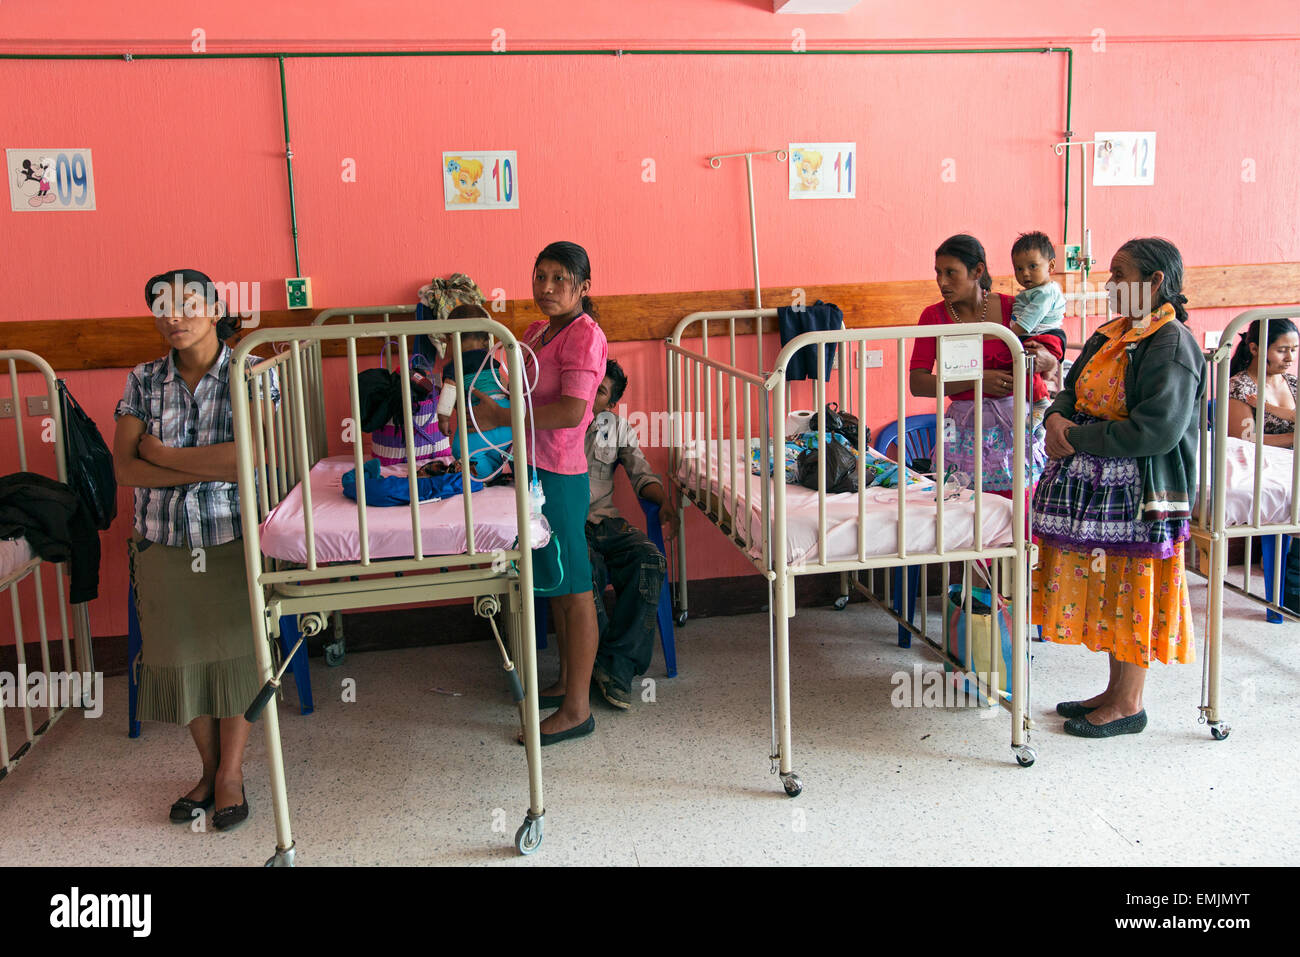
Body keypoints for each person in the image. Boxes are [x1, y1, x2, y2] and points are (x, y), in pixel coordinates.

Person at [113, 269, 271, 829]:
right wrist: (193, 465)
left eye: (185, 305)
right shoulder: (142, 380)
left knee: (235, 662)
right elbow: (125, 467)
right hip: (162, 540)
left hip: (232, 536)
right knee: (179, 663)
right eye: (161, 308)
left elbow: (250, 461)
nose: (173, 317)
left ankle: (231, 774)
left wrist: (164, 455)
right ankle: (206, 771)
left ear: (214, 306)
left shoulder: (251, 370)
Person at [1032, 237, 1205, 738]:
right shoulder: (1117, 333)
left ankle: (1129, 704)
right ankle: (1112, 692)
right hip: (1100, 488)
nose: (1109, 284)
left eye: (1119, 274)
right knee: (1111, 589)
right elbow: (1072, 382)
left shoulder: (1170, 343)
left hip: (1141, 494)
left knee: (1132, 591)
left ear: (1153, 283)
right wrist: (1056, 418)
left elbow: (1156, 430)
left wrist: (1077, 435)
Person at [472, 241, 607, 745]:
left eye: (560, 279)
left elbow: (571, 412)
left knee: (575, 590)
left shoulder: (585, 337)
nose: (546, 288)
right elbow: (517, 388)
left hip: (562, 474)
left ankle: (578, 709)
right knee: (552, 578)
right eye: (540, 276)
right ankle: (566, 682)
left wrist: (502, 417)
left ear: (583, 287)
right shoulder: (534, 332)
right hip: (531, 469)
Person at [909, 233, 1065, 499]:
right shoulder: (933, 317)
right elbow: (917, 383)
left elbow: (1050, 337)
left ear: (977, 270)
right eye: (938, 273)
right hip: (962, 430)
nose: (941, 282)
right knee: (961, 509)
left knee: (1019, 511)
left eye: (950, 272)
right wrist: (977, 380)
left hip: (1015, 425)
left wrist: (1052, 358)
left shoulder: (1013, 309)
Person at [584, 359, 677, 710]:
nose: (592, 394)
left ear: (610, 404)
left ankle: (611, 664)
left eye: (601, 391)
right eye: (590, 383)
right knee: (584, 570)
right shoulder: (558, 419)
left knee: (650, 559)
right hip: (565, 525)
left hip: (605, 522)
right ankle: (612, 667)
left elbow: (642, 474)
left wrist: (663, 501)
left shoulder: (617, 428)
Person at [436, 302, 512, 478]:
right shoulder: (491, 359)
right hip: (505, 414)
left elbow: (449, 393)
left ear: (453, 338)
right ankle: (509, 468)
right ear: (486, 341)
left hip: (479, 418)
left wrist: (443, 419)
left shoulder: (455, 365)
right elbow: (503, 383)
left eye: (448, 339)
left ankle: (486, 474)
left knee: (461, 450)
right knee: (505, 447)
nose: (447, 344)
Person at [1009, 231, 1068, 432]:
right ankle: (1040, 421)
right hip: (1038, 335)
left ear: (1050, 266)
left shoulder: (1046, 292)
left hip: (1047, 336)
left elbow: (1027, 322)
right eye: (1019, 268)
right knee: (1025, 367)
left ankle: (1041, 402)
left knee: (1026, 364)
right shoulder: (1031, 292)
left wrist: (1007, 335)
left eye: (1032, 266)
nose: (1025, 273)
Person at [1225, 317, 1299, 448]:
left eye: (1294, 350)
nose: (1290, 358)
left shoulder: (1294, 383)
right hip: (1263, 464)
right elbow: (1243, 439)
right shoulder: (1239, 387)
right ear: (1254, 349)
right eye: (1281, 350)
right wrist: (1293, 438)